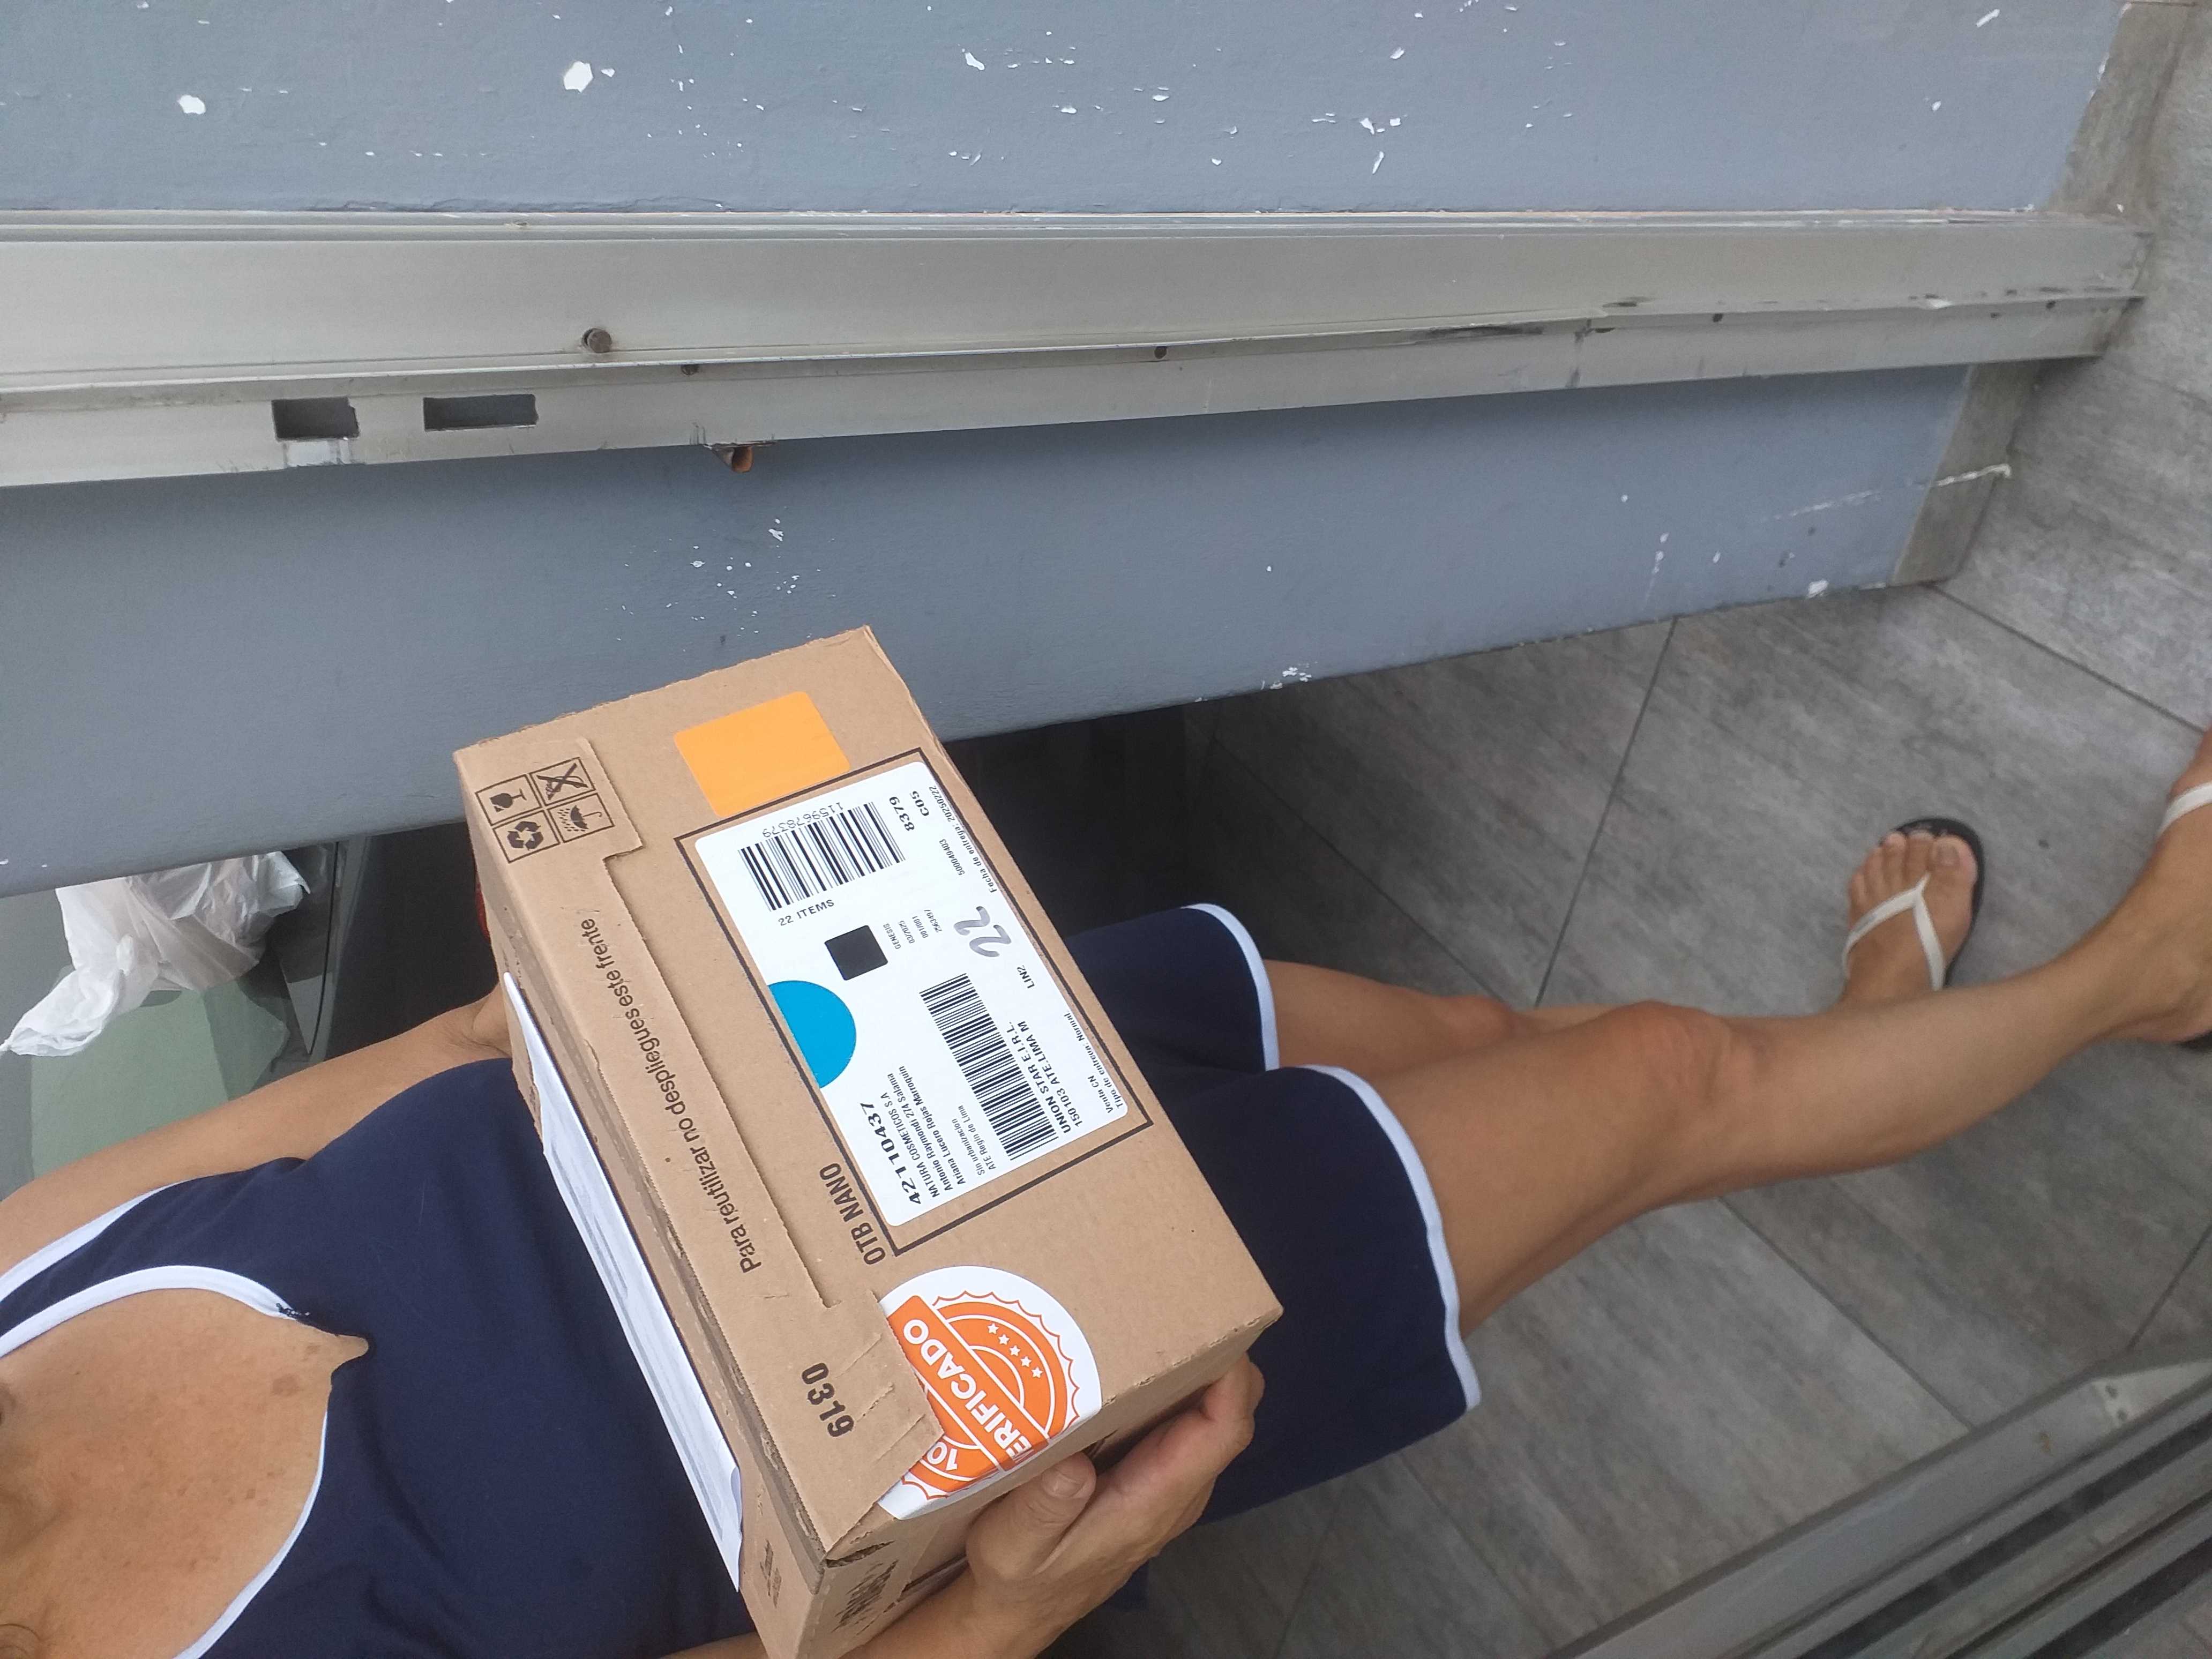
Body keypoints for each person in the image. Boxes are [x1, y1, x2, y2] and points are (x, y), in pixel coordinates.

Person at [5, 734, 2212, 1659]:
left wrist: (638, 907)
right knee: (1659, 1090)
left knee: (1476, 1031)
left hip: (867, 1084)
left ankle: (1857, 1041)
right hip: (1001, 1369)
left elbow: (422, 1061)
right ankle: (2144, 977)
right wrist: (1008, 1613)